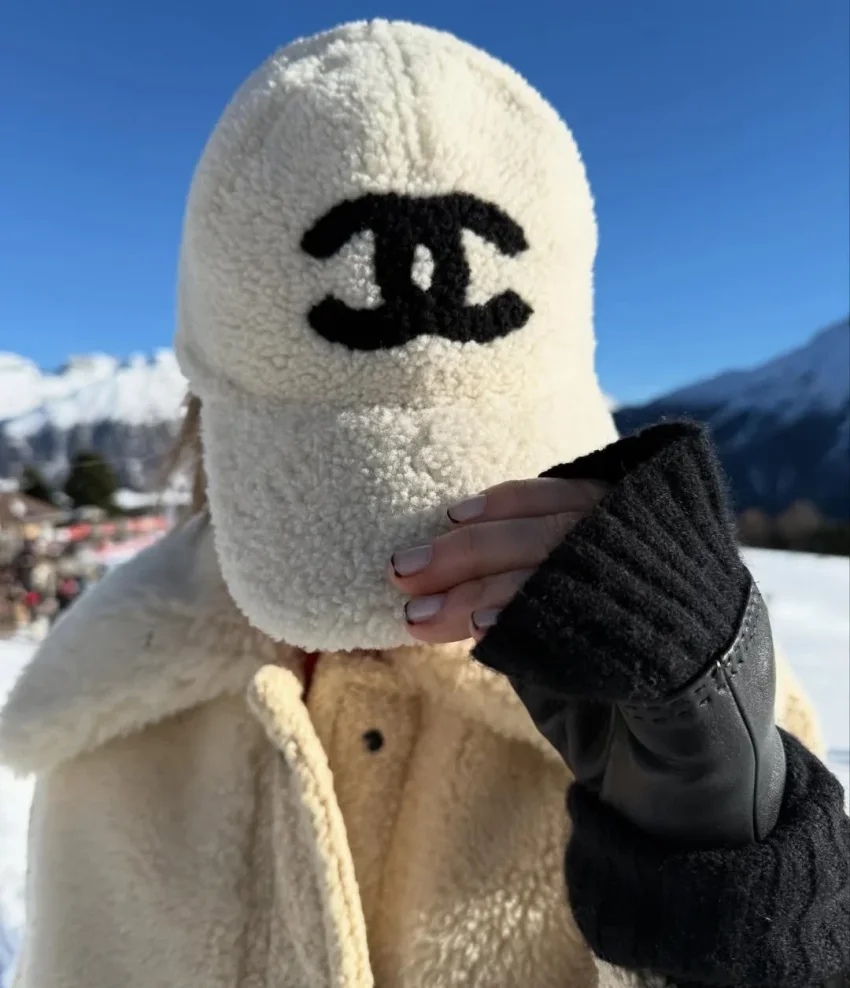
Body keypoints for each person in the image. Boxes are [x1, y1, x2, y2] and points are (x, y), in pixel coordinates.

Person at [1, 21, 847, 988]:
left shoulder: (675, 707)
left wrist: (741, 883)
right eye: (329, 498)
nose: (414, 574)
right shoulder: (113, 722)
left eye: (484, 497)